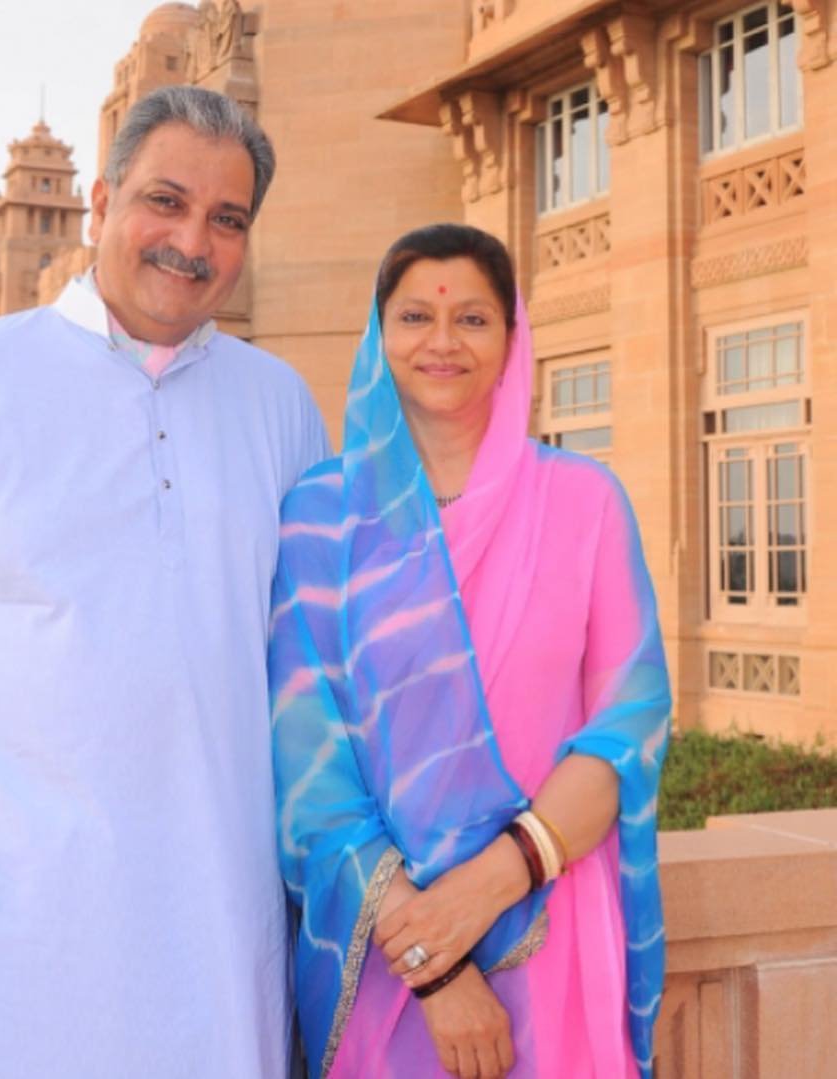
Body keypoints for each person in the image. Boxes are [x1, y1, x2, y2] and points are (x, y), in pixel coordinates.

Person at [0, 86, 329, 1078]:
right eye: (166, 201)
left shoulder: (281, 409)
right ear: (102, 202)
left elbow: (318, 662)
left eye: (227, 218)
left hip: (210, 916)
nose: (192, 242)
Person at [269, 224, 671, 1079]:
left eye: (473, 319)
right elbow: (311, 771)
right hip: (387, 951)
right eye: (416, 316)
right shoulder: (320, 518)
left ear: (512, 338)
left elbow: (629, 726)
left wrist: (491, 885)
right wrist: (435, 963)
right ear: (379, 336)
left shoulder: (585, 502)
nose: (442, 341)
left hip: (551, 923)